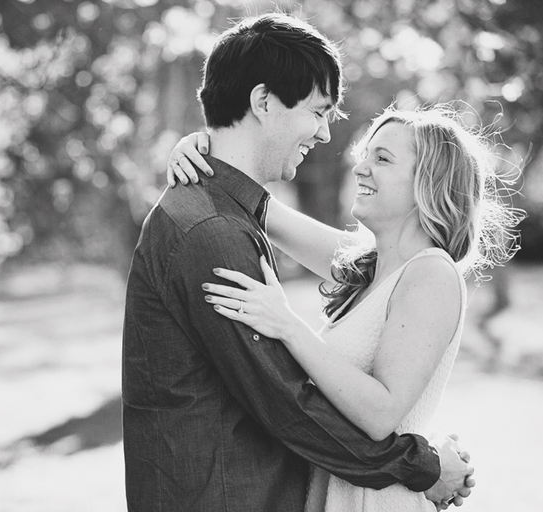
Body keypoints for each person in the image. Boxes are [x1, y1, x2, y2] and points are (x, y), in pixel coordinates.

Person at [122, 12, 473, 512]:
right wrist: (426, 467)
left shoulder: (409, 272)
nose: (333, 140)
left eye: (384, 159)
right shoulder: (213, 231)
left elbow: (358, 404)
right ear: (263, 101)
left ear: (429, 187)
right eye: (318, 111)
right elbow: (288, 404)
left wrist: (212, 155)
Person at [166, 105, 520, 510]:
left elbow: (382, 413)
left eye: (382, 159)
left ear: (430, 183)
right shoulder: (369, 268)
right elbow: (259, 206)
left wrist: (287, 325)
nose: (359, 168)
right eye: (366, 154)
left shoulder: (432, 274)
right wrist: (199, 149)